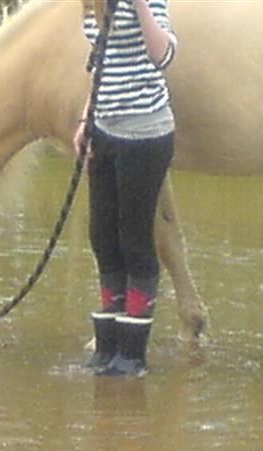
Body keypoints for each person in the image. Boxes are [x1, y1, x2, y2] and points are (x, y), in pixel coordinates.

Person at [73, 0, 178, 376]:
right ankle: (107, 347)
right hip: (105, 131)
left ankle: (133, 354)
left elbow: (163, 54)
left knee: (134, 239)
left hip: (145, 134)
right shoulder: (93, 4)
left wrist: (138, 6)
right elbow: (101, 61)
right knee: (102, 236)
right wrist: (87, 118)